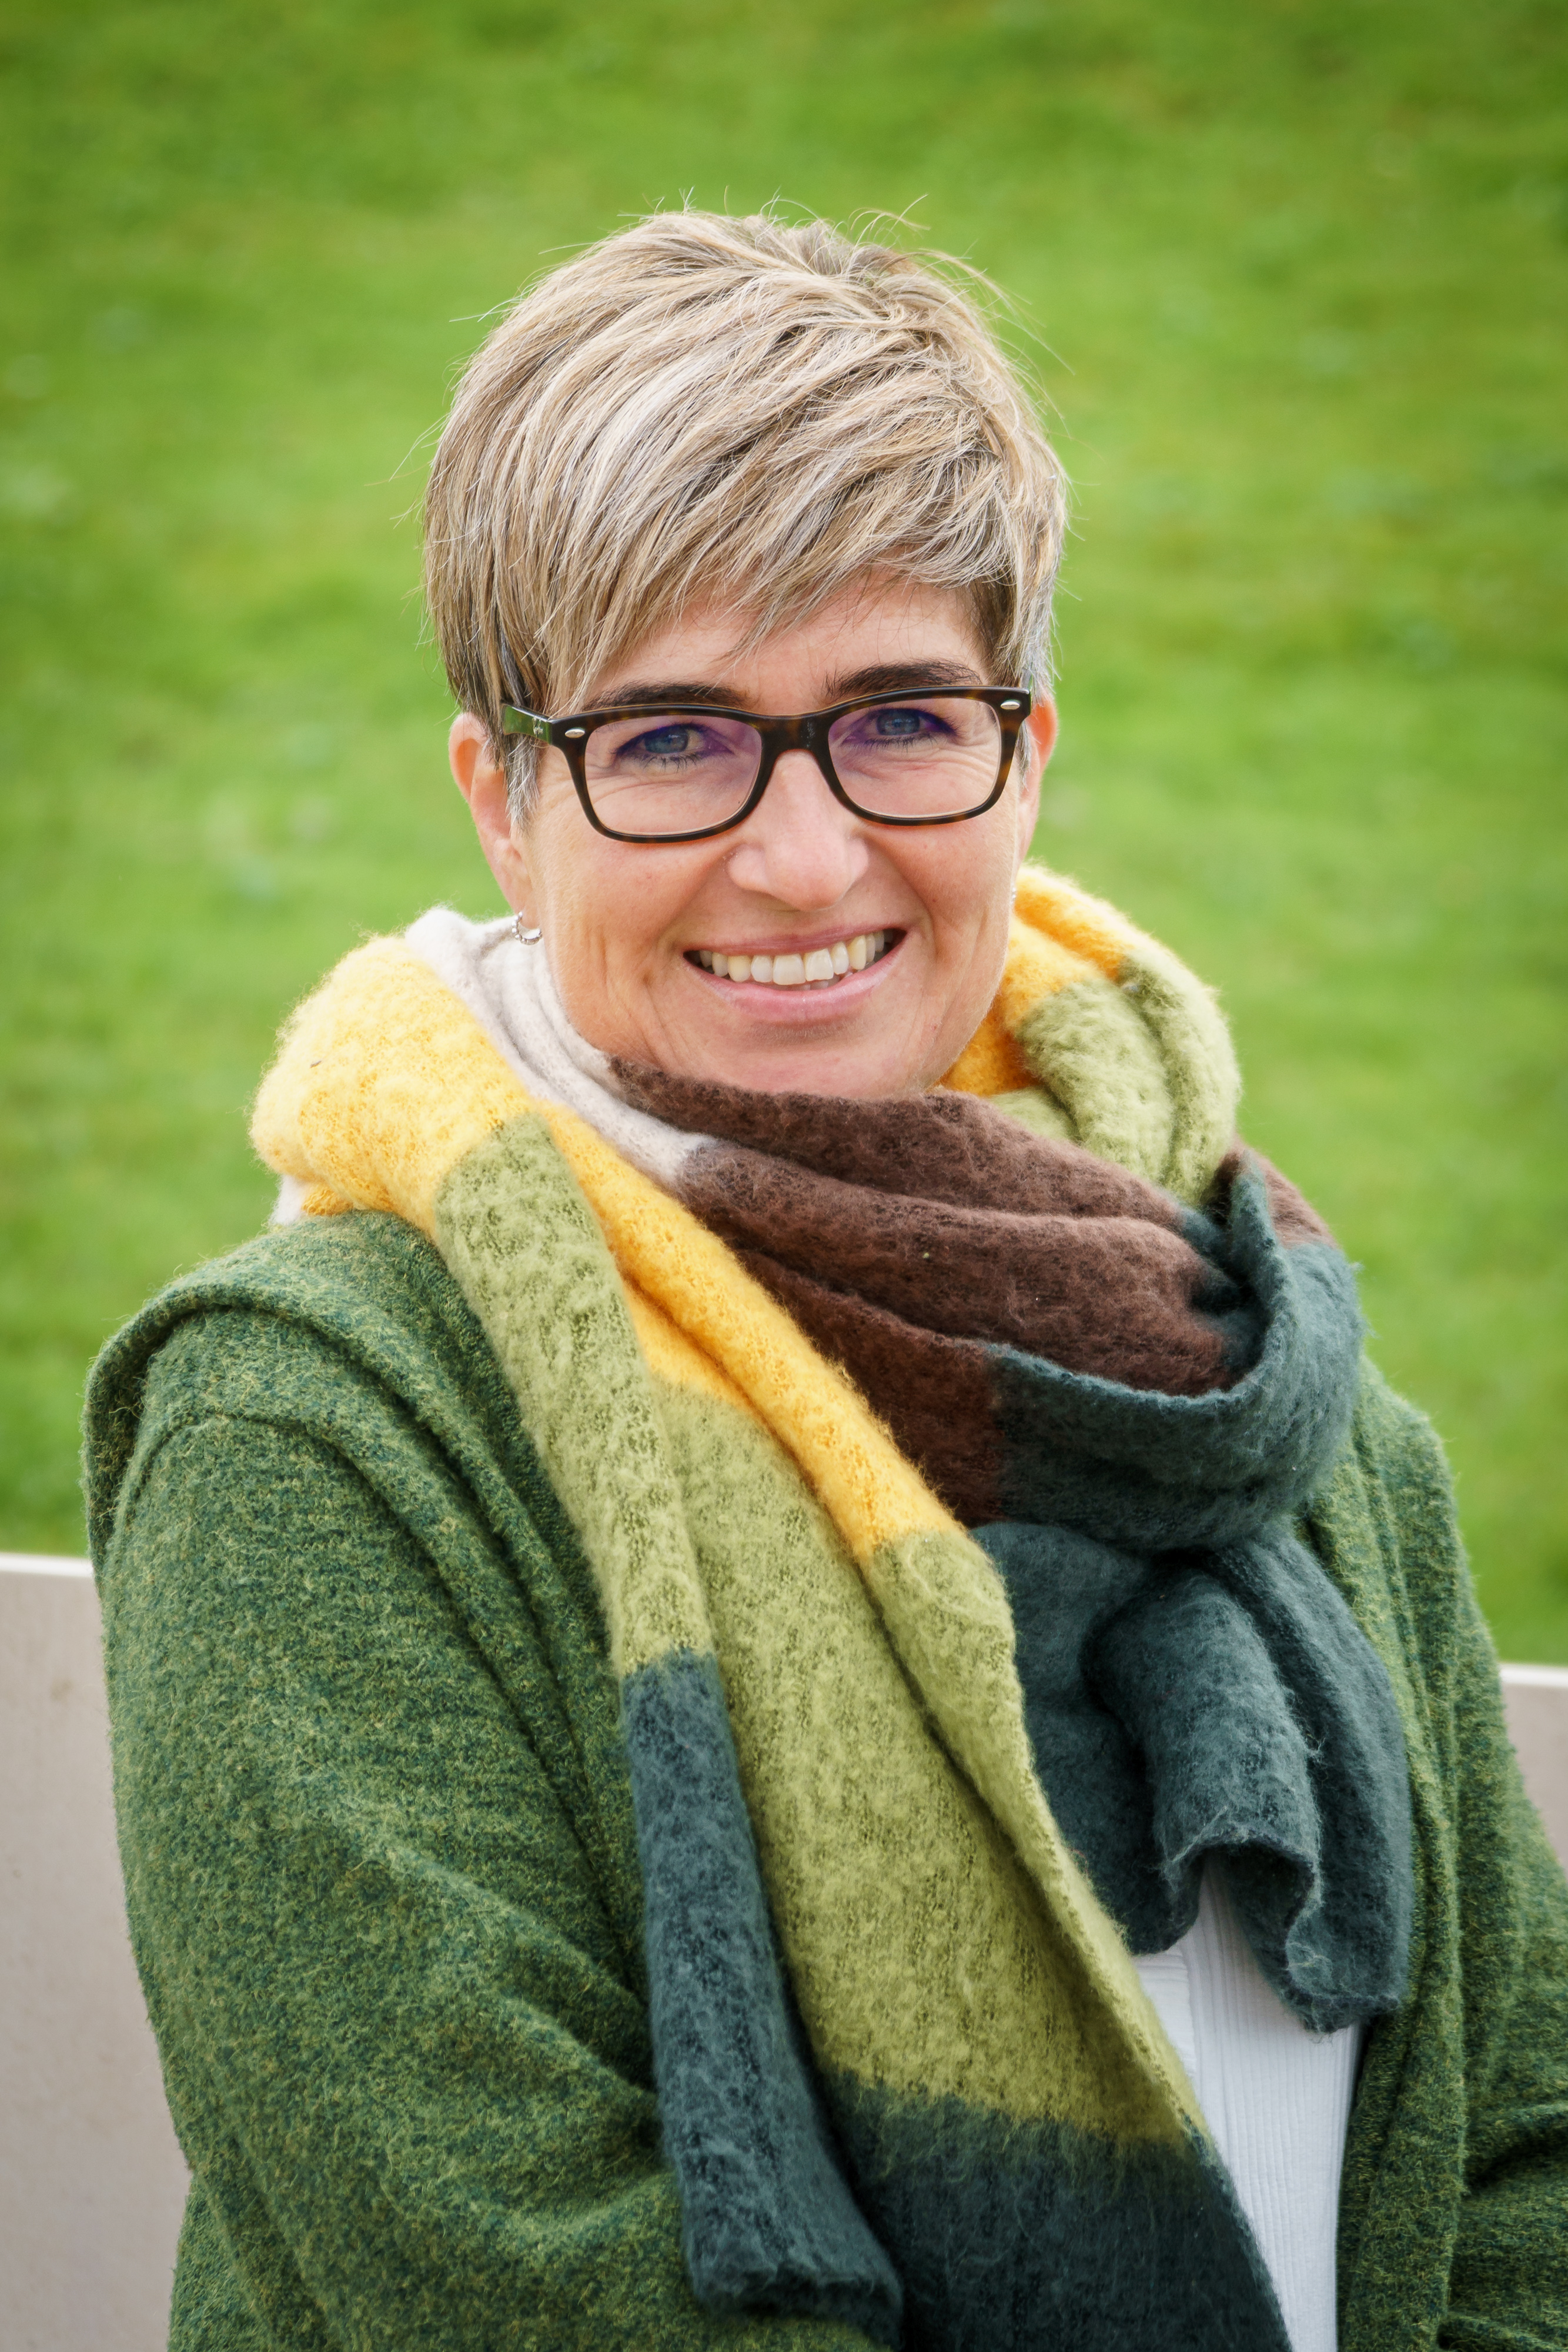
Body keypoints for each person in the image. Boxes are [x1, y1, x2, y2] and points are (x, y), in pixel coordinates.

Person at [86, 211, 1567, 2352]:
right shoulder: (316, 1433)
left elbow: (1523, 2156)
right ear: (504, 802)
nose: (799, 858)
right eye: (670, 740)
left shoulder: (1258, 1367)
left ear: (1025, 752)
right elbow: (514, 2275)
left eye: (897, 719)